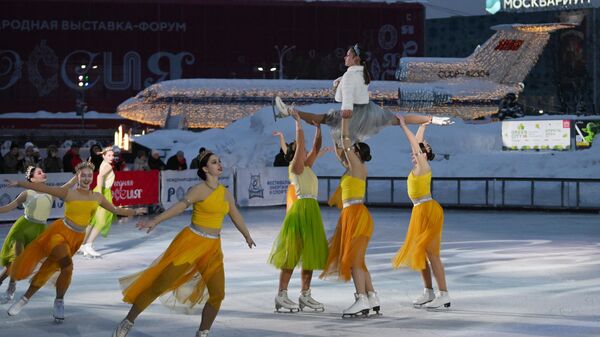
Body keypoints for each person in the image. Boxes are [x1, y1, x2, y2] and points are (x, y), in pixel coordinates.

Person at [112, 149, 255, 337]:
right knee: (159, 285)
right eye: (214, 162)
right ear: (205, 168)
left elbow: (235, 215)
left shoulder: (225, 193)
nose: (219, 164)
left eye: (219, 161)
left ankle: (203, 332)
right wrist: (155, 220)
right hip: (190, 243)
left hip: (212, 248)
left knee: (218, 293)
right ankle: (128, 320)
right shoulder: (198, 190)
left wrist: (247, 235)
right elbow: (179, 206)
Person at [4, 162, 144, 322]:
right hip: (60, 233)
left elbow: (116, 210)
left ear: (93, 177)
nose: (86, 178)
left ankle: (26, 299)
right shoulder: (68, 193)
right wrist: (19, 183)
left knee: (50, 267)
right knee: (67, 265)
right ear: (77, 177)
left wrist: (135, 211)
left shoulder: (97, 197)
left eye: (89, 175)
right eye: (83, 175)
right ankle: (58, 302)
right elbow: (44, 189)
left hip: (77, 238)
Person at [273, 44, 452, 144]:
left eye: (347, 55)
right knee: (399, 120)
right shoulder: (359, 72)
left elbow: (349, 94)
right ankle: (432, 118)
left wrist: (346, 110)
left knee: (322, 119)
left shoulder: (351, 75)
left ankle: (288, 111)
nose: (345, 57)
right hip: (368, 112)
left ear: (355, 58)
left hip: (356, 113)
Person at [320, 116, 380, 318]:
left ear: (357, 153)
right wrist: (332, 132)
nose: (348, 152)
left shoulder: (358, 167)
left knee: (354, 261)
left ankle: (361, 298)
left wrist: (344, 122)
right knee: (359, 261)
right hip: (350, 215)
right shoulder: (351, 169)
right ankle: (371, 296)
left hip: (356, 215)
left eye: (352, 150)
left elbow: (345, 145)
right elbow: (341, 151)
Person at [268, 111, 329, 312]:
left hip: (311, 211)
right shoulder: (296, 167)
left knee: (309, 255)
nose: (304, 150)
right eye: (299, 148)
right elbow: (302, 145)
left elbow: (316, 146)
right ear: (295, 153)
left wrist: (319, 128)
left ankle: (305, 295)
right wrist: (299, 123)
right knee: (292, 255)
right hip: (301, 211)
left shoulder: (308, 165)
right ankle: (282, 294)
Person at [392, 115, 450, 309]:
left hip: (428, 210)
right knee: (421, 253)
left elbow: (414, 144)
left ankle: (443, 294)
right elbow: (416, 143)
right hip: (419, 211)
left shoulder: (424, 164)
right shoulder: (418, 165)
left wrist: (403, 125)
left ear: (426, 152)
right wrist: (424, 126)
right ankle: (429, 291)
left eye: (421, 148)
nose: (416, 150)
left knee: (432, 255)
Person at [0, 166, 76, 303]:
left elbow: (69, 185)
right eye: (39, 173)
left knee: (20, 263)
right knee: (18, 256)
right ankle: (12, 284)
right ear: (32, 178)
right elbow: (8, 207)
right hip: (23, 228)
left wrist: (80, 173)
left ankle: (2, 280)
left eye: (43, 171)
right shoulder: (27, 193)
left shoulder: (51, 192)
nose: (43, 174)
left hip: (40, 230)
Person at [79, 146, 117, 258]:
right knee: (101, 221)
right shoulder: (108, 166)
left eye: (112, 155)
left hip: (101, 191)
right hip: (102, 192)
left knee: (93, 221)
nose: (111, 157)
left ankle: (83, 245)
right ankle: (88, 245)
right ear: (104, 156)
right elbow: (99, 177)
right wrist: (100, 193)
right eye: (109, 155)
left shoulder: (104, 164)